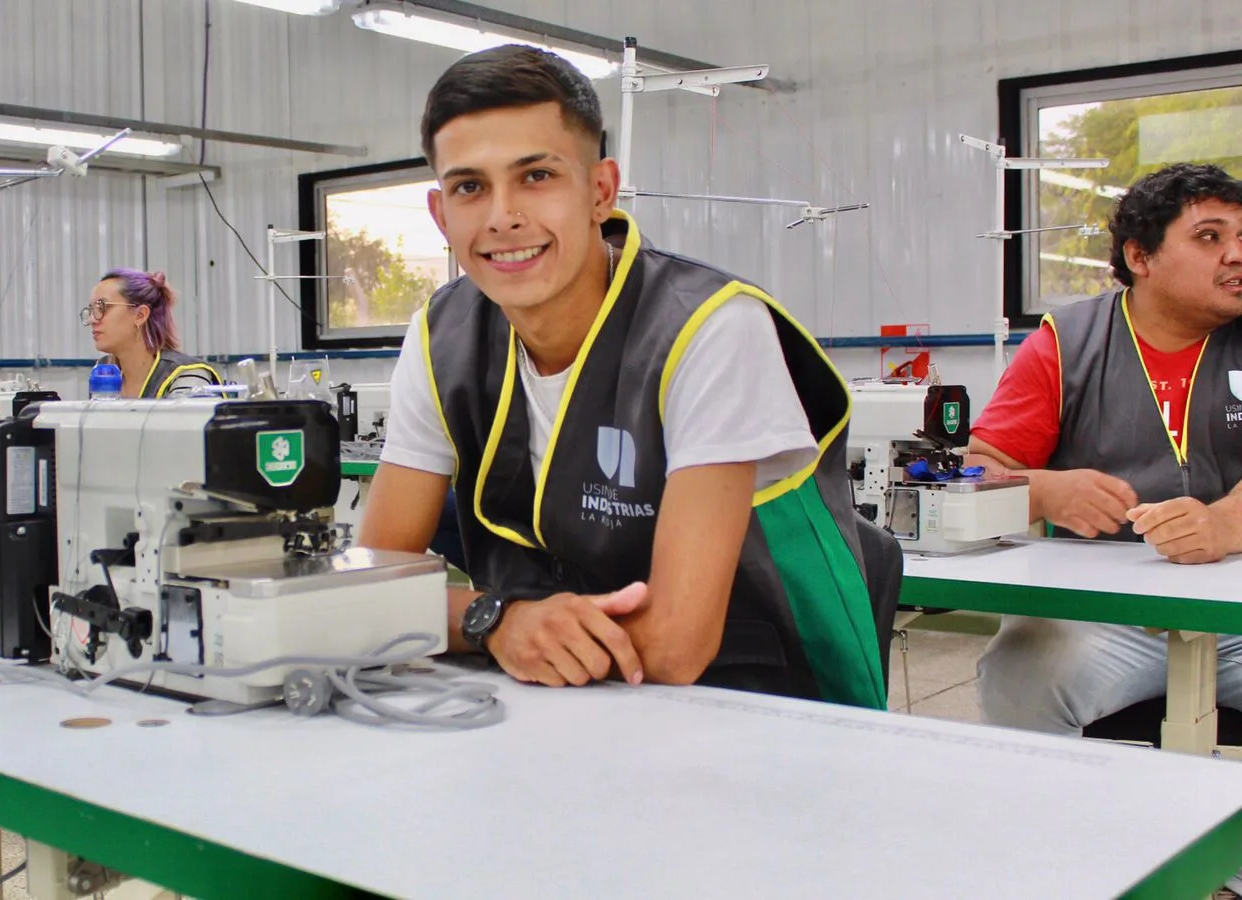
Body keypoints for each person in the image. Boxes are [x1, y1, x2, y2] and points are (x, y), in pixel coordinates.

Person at [357, 45, 884, 706]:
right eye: (470, 187)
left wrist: (481, 619)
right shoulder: (440, 337)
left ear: (600, 191)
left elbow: (673, 645)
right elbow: (364, 591)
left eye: (537, 177)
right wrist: (496, 619)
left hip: (761, 698)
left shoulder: (708, 328)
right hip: (546, 698)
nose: (502, 216)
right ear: (441, 216)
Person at [969, 163, 1242, 736]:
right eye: (1210, 237)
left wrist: (1223, 524)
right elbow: (974, 469)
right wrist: (1039, 490)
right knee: (1019, 679)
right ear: (1140, 257)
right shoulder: (1064, 345)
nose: (1236, 255)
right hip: (1106, 616)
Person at [82, 268, 219, 398]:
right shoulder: (103, 371)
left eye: (103, 307)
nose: (92, 319)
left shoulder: (187, 377)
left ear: (140, 315)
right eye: (92, 309)